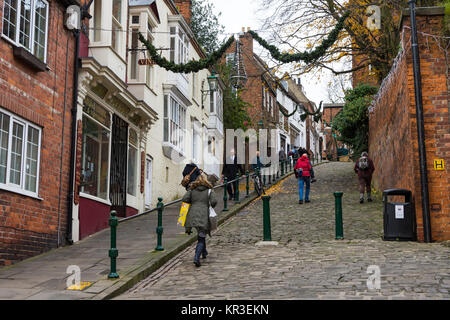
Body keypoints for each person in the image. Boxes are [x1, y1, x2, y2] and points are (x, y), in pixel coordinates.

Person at [182, 173, 217, 267]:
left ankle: (204, 252)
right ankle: (196, 258)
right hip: (203, 215)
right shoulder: (209, 190)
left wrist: (193, 201)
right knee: (201, 237)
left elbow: (185, 199)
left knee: (201, 234)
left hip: (192, 214)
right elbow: (214, 202)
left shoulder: (192, 190)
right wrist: (209, 204)